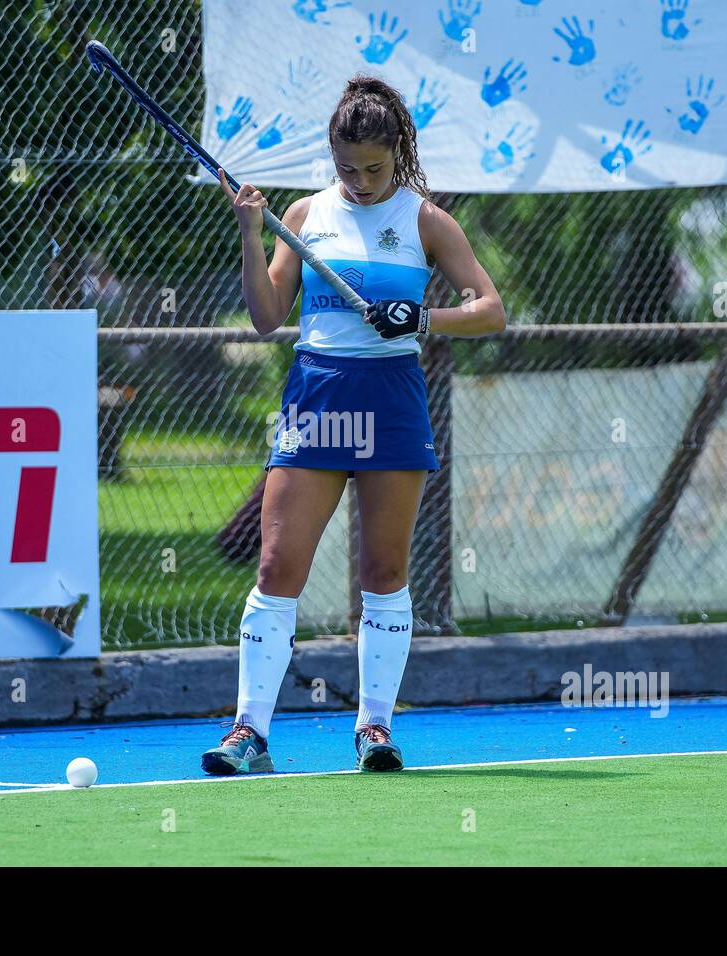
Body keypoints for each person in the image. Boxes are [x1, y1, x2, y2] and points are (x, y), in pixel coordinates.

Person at [202, 74, 505, 775]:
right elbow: (267, 316)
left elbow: (490, 308)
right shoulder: (306, 216)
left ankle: (374, 727)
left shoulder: (427, 220)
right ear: (330, 156)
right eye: (348, 168)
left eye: (375, 168)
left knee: (384, 570)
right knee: (278, 565)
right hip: (318, 395)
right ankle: (249, 732)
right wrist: (251, 233)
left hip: (392, 396)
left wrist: (422, 318)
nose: (362, 182)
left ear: (398, 153)